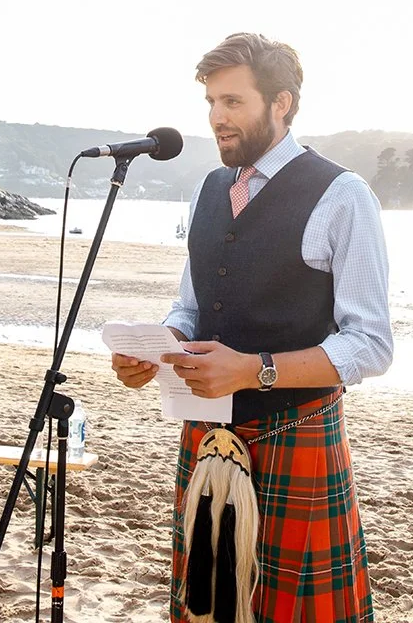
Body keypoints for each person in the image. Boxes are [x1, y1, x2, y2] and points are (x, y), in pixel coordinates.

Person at [111, 32, 393, 623]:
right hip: (205, 436)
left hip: (297, 437)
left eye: (232, 102)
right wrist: (156, 351)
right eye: (212, 102)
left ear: (281, 103)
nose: (217, 118)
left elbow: (370, 344)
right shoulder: (209, 189)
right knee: (207, 609)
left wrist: (252, 370)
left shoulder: (343, 196)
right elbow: (190, 306)